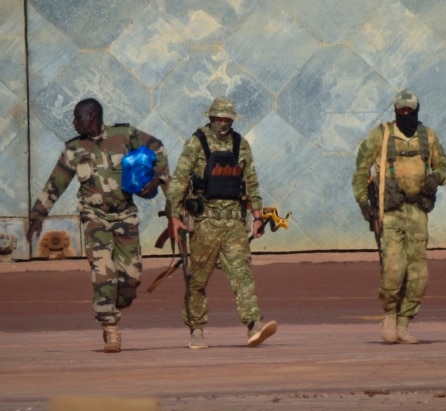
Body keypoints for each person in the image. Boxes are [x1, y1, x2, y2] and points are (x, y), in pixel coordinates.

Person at [26, 97, 169, 353]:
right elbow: (55, 183)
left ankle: (117, 303)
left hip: (125, 214)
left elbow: (158, 148)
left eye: (77, 117)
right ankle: (110, 327)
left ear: (92, 116)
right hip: (94, 216)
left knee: (131, 277)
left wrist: (158, 178)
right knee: (103, 270)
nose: (73, 122)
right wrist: (37, 215)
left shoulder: (124, 135)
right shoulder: (73, 149)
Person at [165, 96, 277, 349]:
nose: (223, 123)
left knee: (243, 274)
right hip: (206, 223)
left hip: (234, 222)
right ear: (211, 117)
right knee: (197, 279)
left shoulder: (241, 144)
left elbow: (251, 181)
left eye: (227, 119)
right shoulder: (196, 143)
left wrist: (258, 216)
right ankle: (196, 330)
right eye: (218, 118)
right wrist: (174, 216)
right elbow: (180, 180)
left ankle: (254, 325)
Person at [351, 89, 446, 344]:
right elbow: (361, 170)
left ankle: (405, 322)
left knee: (418, 273)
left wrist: (436, 177)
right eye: (401, 110)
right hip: (390, 213)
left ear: (417, 110)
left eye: (410, 110)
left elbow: (443, 165)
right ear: (395, 110)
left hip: (417, 212)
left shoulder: (428, 136)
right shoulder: (381, 135)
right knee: (393, 269)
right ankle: (390, 315)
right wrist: (364, 203)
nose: (405, 114)